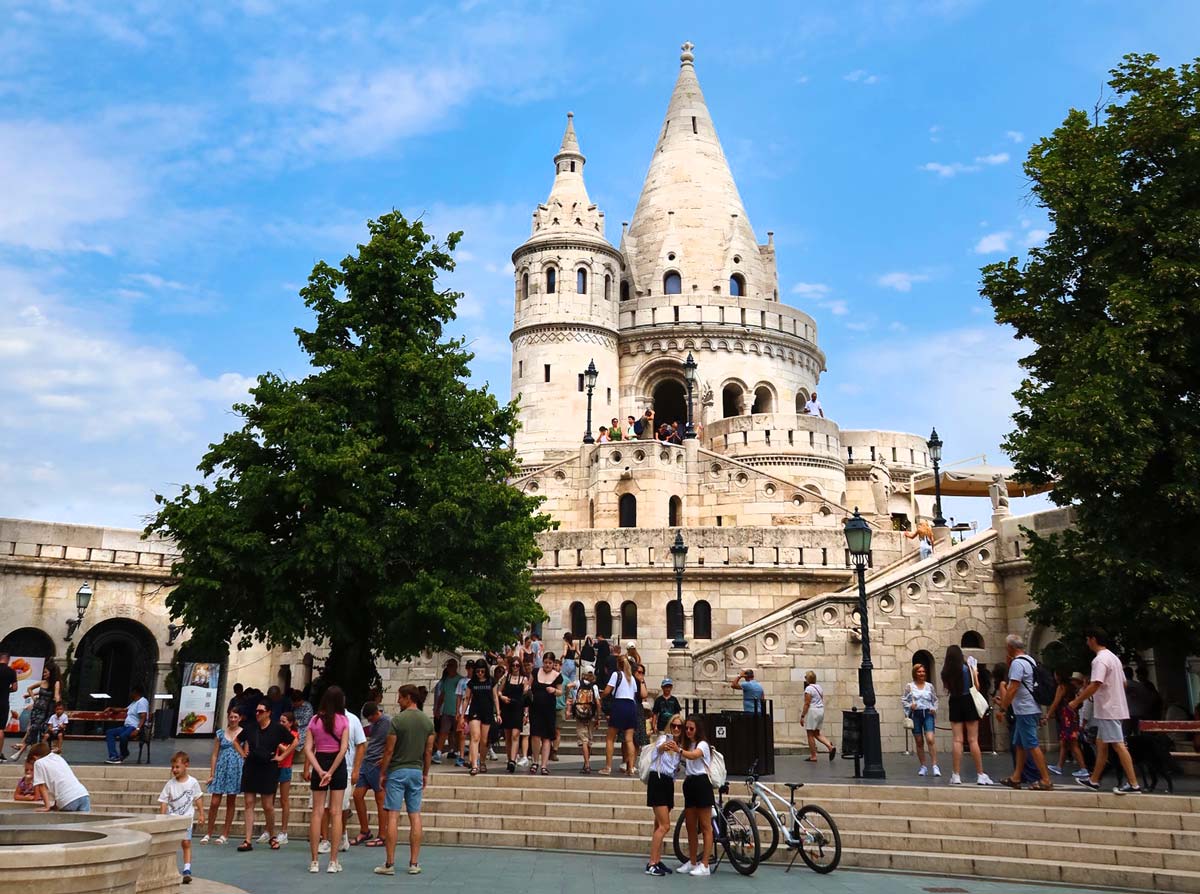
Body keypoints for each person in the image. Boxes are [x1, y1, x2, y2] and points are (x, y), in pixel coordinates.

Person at [374, 684, 435, 876]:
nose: (398, 700)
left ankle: (390, 863)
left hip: (397, 771)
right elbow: (428, 751)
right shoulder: (427, 722)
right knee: (415, 815)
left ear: (408, 697)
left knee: (393, 815)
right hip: (416, 771)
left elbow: (389, 750)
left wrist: (382, 772)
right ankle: (414, 863)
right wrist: (425, 773)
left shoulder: (397, 721)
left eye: (400, 697)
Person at [1070, 628, 1141, 794]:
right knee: (1101, 744)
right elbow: (1123, 684)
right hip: (1113, 707)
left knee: (1118, 744)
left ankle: (1133, 784)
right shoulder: (1113, 658)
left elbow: (1096, 683)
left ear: (1093, 639)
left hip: (1108, 709)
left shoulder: (1099, 660)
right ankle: (1094, 780)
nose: (1087, 643)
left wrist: (1076, 701)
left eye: (1087, 639)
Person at [995, 634, 1053, 791]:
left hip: (1025, 709)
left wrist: (1002, 708)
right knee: (1020, 745)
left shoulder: (1017, 663)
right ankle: (1016, 777)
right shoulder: (1029, 660)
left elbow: (1013, 687)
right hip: (1029, 708)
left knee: (1032, 745)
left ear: (1010, 647)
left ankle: (1046, 779)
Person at [304, 686, 351, 873]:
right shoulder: (343, 720)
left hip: (320, 762)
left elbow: (308, 749)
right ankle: (333, 861)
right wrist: (331, 772)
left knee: (317, 812)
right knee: (336, 812)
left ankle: (314, 861)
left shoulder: (314, 720)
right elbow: (344, 748)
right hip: (337, 765)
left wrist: (320, 770)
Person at [237, 698, 288, 851]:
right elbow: (236, 740)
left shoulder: (277, 728)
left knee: (268, 805)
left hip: (268, 766)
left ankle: (272, 835)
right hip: (252, 765)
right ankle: (247, 839)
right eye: (257, 711)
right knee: (249, 802)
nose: (258, 713)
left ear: (268, 713)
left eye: (261, 711)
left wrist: (282, 757)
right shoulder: (251, 727)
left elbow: (294, 741)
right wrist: (243, 754)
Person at [941, 646, 992, 785]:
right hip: (969, 700)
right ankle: (980, 774)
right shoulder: (967, 669)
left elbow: (948, 688)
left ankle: (956, 775)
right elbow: (977, 687)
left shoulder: (945, 672)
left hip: (954, 701)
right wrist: (974, 672)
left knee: (957, 740)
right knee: (973, 740)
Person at [645, 713, 684, 876]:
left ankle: (657, 859)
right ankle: (651, 864)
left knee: (658, 824)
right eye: (673, 725)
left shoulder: (679, 746)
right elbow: (658, 749)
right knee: (665, 826)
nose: (676, 728)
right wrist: (665, 746)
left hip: (668, 783)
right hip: (658, 780)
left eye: (679, 726)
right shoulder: (664, 739)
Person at [159, 751, 205, 884]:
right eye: (173, 767)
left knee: (186, 843)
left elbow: (198, 798)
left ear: (186, 765)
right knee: (170, 844)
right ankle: (169, 868)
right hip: (172, 818)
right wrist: (162, 817)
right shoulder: (170, 784)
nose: (174, 770)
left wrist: (201, 813)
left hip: (186, 818)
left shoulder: (193, 782)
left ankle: (187, 869)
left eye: (177, 767)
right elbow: (164, 801)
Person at [677, 716, 714, 877]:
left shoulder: (702, 745)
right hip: (690, 783)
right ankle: (692, 861)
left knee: (705, 826)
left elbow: (694, 756)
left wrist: (679, 750)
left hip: (702, 783)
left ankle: (705, 864)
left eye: (691, 728)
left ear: (697, 729)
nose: (688, 731)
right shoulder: (688, 744)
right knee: (690, 825)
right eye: (686, 728)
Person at [201, 709, 244, 844]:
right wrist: (212, 773)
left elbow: (246, 752)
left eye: (235, 717)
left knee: (231, 802)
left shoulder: (243, 733)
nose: (233, 719)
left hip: (235, 769)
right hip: (221, 768)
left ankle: (225, 834)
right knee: (214, 802)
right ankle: (209, 832)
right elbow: (214, 754)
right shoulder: (220, 733)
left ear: (240, 718)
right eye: (231, 717)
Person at [351, 702, 390, 846]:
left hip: (378, 764)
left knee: (380, 799)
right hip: (367, 762)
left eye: (370, 718)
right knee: (357, 795)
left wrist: (386, 759)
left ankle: (383, 835)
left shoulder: (388, 722)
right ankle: (365, 830)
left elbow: (394, 742)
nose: (369, 721)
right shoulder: (373, 724)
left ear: (376, 713)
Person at [11, 660, 61, 761]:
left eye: (46, 672)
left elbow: (56, 695)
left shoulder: (56, 683)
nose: (44, 674)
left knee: (40, 731)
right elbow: (29, 688)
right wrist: (34, 699)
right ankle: (28, 752)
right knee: (33, 729)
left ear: (51, 672)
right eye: (43, 672)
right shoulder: (42, 683)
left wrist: (58, 703)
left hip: (47, 711)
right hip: (37, 710)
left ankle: (26, 752)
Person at [1043, 669, 1087, 778]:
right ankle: (1059, 766)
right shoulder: (1071, 687)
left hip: (1066, 717)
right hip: (1071, 715)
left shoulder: (1062, 687)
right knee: (1064, 742)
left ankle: (1083, 768)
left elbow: (1056, 702)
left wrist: (1048, 715)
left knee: (1072, 743)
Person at [600, 656, 638, 776]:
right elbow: (634, 693)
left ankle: (608, 767)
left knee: (610, 738)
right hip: (631, 706)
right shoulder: (632, 677)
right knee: (629, 739)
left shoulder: (616, 675)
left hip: (619, 704)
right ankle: (631, 767)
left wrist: (600, 697)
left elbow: (607, 691)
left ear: (618, 664)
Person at [902, 664, 940, 777]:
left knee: (930, 739)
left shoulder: (929, 686)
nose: (921, 673)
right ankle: (923, 766)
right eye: (919, 672)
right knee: (919, 741)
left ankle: (935, 765)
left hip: (928, 713)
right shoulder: (909, 686)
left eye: (923, 671)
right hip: (916, 714)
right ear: (915, 673)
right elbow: (903, 700)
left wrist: (934, 708)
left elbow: (935, 699)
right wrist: (910, 706)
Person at [463, 660, 499, 776]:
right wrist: (462, 714)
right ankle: (474, 764)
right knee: (475, 737)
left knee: (484, 740)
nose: (480, 673)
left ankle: (482, 761)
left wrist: (498, 713)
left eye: (482, 671)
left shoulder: (491, 681)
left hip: (487, 712)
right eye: (478, 671)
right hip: (475, 711)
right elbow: (467, 698)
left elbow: (495, 697)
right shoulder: (472, 683)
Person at [529, 653, 563, 775]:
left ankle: (544, 765)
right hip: (535, 708)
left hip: (549, 709)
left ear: (553, 664)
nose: (547, 665)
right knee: (535, 735)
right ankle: (535, 761)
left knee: (547, 737)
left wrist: (554, 690)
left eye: (550, 663)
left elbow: (560, 692)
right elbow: (528, 686)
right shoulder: (535, 672)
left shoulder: (557, 676)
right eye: (545, 662)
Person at [30, 742, 89, 811]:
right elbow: (60, 779)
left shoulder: (38, 763)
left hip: (67, 800)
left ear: (35, 757)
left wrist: (47, 806)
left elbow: (41, 786)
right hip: (83, 794)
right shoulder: (57, 757)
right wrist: (56, 805)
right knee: (83, 818)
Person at [499, 656, 530, 773]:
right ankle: (509, 759)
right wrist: (502, 697)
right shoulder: (506, 677)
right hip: (507, 707)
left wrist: (526, 714)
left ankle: (512, 760)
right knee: (508, 736)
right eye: (513, 665)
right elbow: (498, 691)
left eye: (517, 665)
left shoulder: (524, 679)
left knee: (515, 735)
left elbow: (526, 699)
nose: (515, 667)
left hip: (518, 708)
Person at [105, 684, 149, 764]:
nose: (130, 694)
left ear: (135, 692)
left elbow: (143, 717)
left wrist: (137, 729)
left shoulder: (142, 702)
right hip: (127, 727)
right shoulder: (134, 703)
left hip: (134, 727)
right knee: (110, 732)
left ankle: (124, 754)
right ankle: (113, 756)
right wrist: (111, 708)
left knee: (123, 736)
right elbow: (124, 709)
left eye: (131, 692)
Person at [274, 712, 299, 845]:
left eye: (284, 722)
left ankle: (284, 831)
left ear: (290, 723)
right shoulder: (277, 732)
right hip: (273, 766)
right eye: (280, 721)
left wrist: (277, 742)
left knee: (284, 800)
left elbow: (286, 750)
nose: (281, 724)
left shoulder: (293, 735)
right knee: (270, 799)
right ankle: (268, 830)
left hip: (285, 767)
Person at [432, 659, 463, 765]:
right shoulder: (446, 680)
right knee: (443, 732)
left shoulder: (460, 680)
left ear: (455, 667)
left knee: (458, 733)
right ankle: (438, 753)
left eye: (451, 666)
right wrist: (437, 709)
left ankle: (458, 752)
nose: (449, 668)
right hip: (446, 711)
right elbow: (442, 695)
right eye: (448, 666)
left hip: (457, 711)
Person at [800, 671, 836, 762]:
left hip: (813, 711)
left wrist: (802, 716)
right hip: (820, 710)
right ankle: (830, 746)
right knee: (816, 733)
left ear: (808, 679)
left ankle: (813, 756)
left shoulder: (808, 689)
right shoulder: (819, 687)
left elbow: (807, 703)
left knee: (810, 734)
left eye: (806, 677)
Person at [571, 670, 600, 773]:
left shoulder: (578, 683)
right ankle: (586, 762)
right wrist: (598, 717)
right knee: (589, 740)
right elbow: (598, 703)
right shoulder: (594, 686)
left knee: (583, 740)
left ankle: (587, 764)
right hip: (590, 715)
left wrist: (571, 698)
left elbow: (568, 685)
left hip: (580, 715)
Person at [0, 653, 17, 762]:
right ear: (8, 659)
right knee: (0, 729)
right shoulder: (11, 671)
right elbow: (15, 688)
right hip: (3, 703)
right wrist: (6, 690)